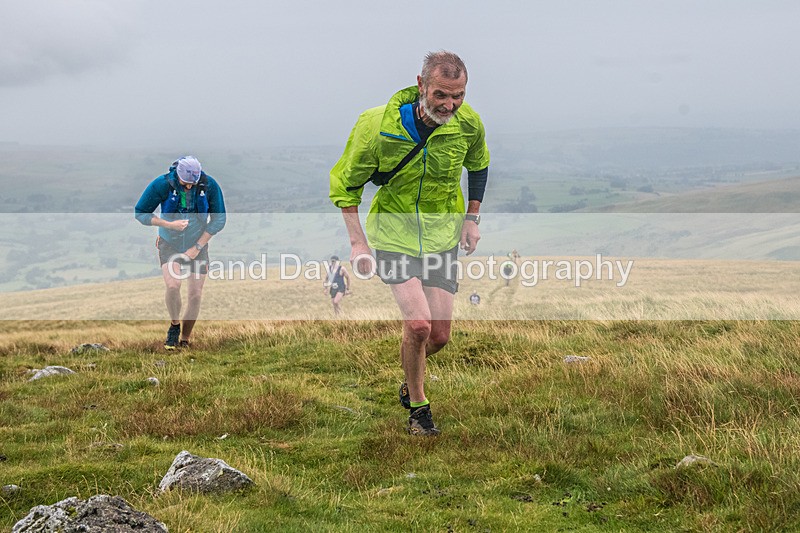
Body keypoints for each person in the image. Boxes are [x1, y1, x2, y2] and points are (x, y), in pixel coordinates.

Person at [330, 51, 490, 436]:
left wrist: (471, 218)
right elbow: (345, 184)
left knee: (439, 335)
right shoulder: (377, 125)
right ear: (421, 86)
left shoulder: (467, 123)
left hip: (442, 236)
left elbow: (479, 164)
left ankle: (408, 377)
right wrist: (358, 244)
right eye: (441, 95)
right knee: (418, 325)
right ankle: (419, 409)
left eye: (459, 96)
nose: (450, 105)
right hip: (394, 235)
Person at [135, 156, 226, 349]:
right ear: (178, 175)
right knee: (173, 286)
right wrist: (167, 224)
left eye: (194, 183)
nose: (190, 187)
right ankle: (174, 326)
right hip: (169, 242)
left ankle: (185, 340)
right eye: (186, 183)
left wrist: (197, 248)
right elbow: (141, 213)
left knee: (195, 295)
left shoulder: (209, 185)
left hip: (198, 244)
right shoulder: (162, 184)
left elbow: (219, 220)